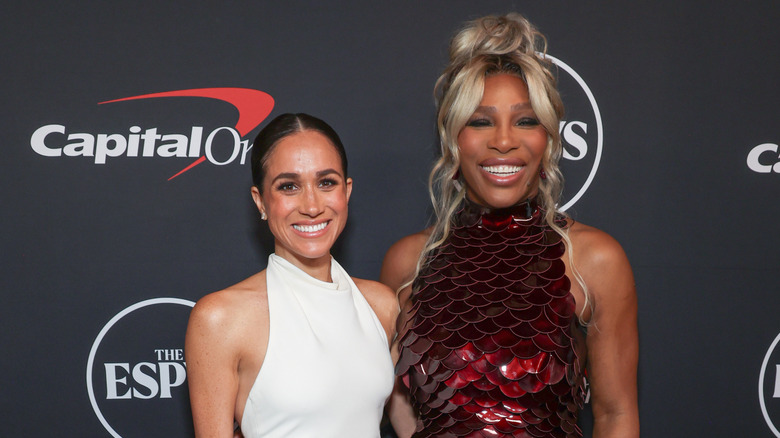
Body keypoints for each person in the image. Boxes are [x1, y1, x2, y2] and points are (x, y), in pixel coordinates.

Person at [381, 13, 639, 438]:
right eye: (480, 121)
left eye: (525, 120)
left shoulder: (595, 258)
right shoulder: (407, 261)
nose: (504, 141)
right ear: (453, 139)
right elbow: (401, 403)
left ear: (549, 138)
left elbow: (616, 416)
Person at [186, 113, 398, 438]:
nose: (311, 205)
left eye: (326, 182)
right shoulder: (221, 318)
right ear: (260, 201)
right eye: (289, 186)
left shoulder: (382, 306)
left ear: (347, 191)